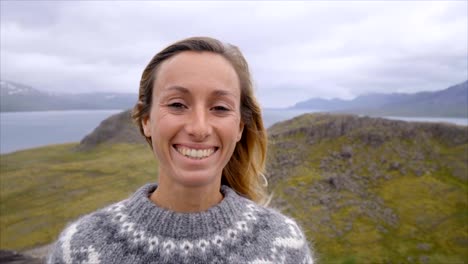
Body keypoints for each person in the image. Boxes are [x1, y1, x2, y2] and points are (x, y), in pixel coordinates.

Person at [47, 37, 314, 264]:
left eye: (220, 108)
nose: (199, 128)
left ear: (240, 128)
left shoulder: (285, 246)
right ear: (146, 120)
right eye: (176, 104)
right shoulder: (80, 250)